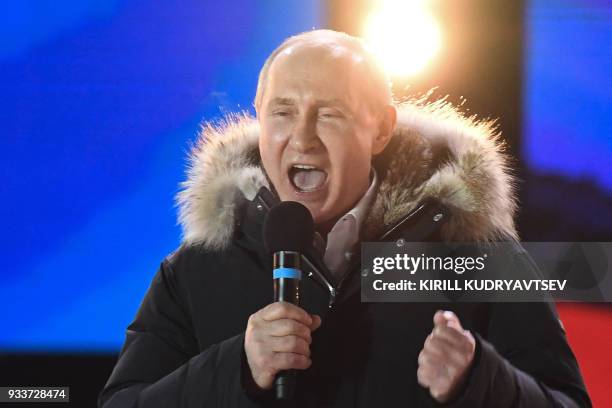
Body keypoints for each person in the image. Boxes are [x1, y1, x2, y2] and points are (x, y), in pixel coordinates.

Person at [98, 29, 591, 407]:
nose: (303, 137)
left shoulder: (478, 255)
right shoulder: (196, 268)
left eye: (329, 114)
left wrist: (481, 381)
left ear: (380, 130)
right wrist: (235, 368)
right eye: (283, 112)